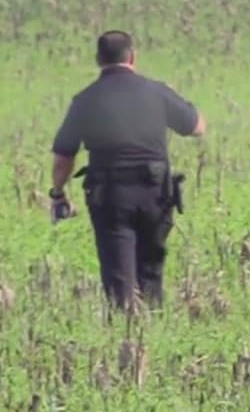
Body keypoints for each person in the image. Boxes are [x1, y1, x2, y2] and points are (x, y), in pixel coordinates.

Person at [48, 30, 205, 312]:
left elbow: (63, 157)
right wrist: (177, 98)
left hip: (110, 196)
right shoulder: (156, 91)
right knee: (151, 272)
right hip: (155, 193)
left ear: (98, 60)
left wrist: (58, 194)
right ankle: (152, 334)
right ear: (133, 57)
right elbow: (197, 128)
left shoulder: (85, 100)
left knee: (119, 278)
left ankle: (126, 334)